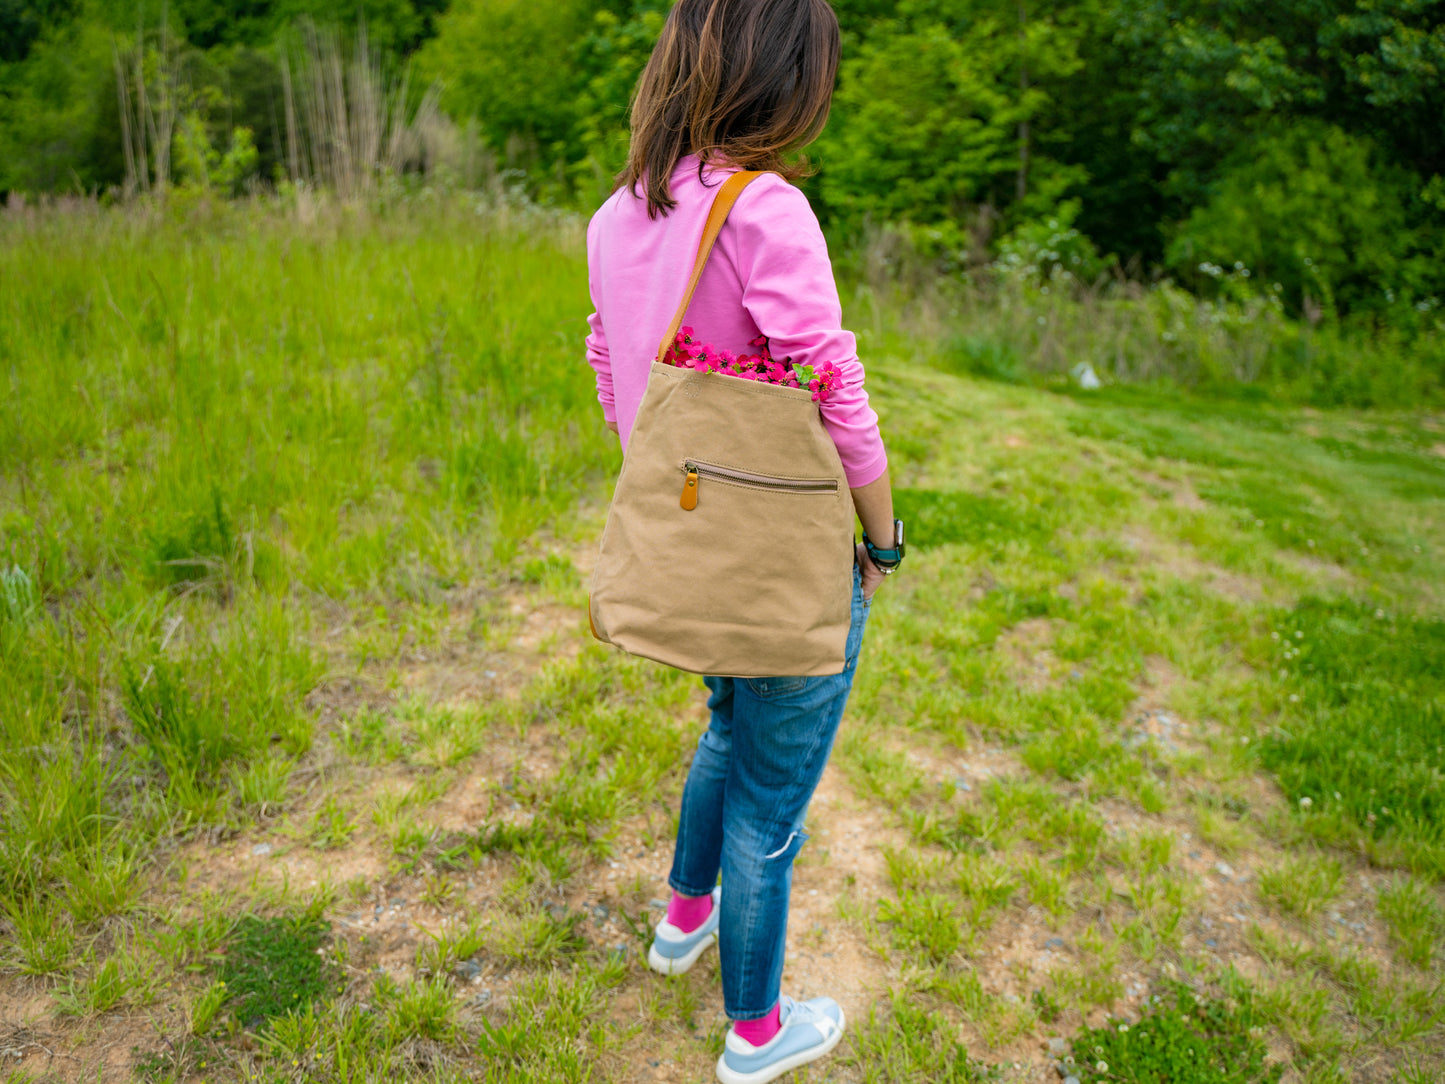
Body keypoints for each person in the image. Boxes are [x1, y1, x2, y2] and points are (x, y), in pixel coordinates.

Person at [583, 1, 901, 1080]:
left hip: (696, 548)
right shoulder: (766, 209)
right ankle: (757, 1033)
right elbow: (835, 387)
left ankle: (684, 919)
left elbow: (613, 373)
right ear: (787, 75)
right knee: (771, 802)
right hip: (782, 558)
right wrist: (883, 536)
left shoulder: (616, 215)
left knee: (725, 729)